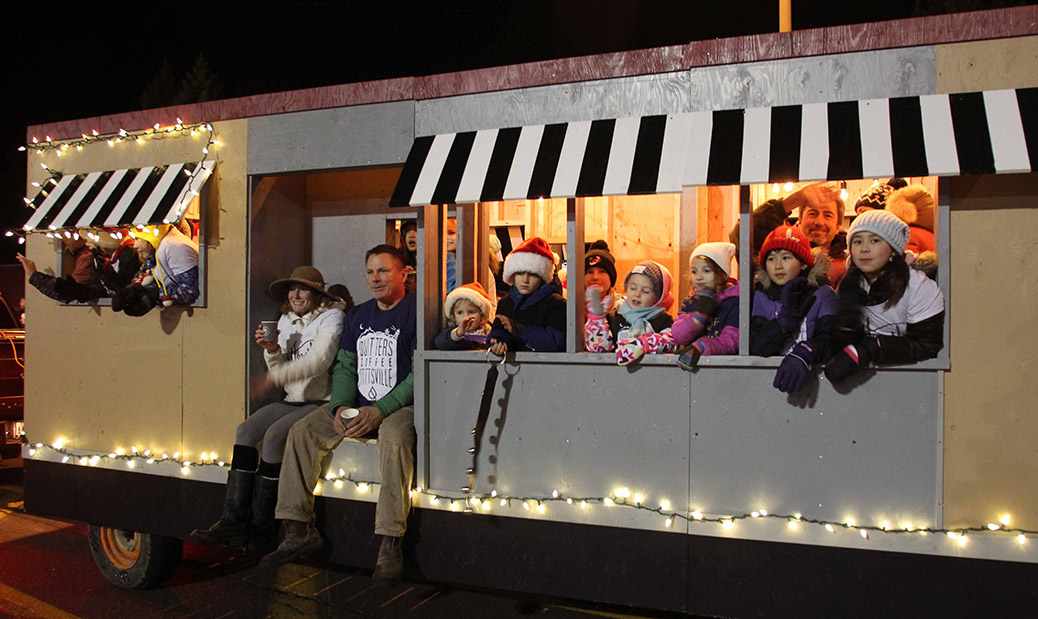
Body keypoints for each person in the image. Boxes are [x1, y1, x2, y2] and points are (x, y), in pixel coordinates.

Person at [260, 245, 417, 588]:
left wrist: (381, 410)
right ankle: (298, 529)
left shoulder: (416, 311)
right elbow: (345, 366)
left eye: (384, 271)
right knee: (301, 431)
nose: (376, 279)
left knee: (395, 438)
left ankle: (390, 543)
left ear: (404, 273)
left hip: (398, 408)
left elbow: (418, 373)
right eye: (370, 272)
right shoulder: (358, 316)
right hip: (357, 403)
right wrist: (339, 406)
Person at [190, 267, 348, 548]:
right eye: (292, 290)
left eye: (303, 289)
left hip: (321, 401)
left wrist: (270, 378)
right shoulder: (285, 320)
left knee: (275, 436)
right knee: (246, 431)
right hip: (291, 400)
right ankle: (234, 520)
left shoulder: (332, 317)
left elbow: (318, 362)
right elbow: (280, 366)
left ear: (317, 293)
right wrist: (272, 349)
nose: (296, 295)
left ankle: (262, 526)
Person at [824, 210, 945, 383]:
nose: (864, 249)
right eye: (858, 241)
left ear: (893, 251)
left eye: (874, 240)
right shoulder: (848, 284)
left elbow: (927, 345)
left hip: (907, 382)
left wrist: (872, 349)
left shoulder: (918, 288)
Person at [750, 226, 837, 393]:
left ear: (803, 263)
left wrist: (805, 352)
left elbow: (831, 339)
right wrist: (781, 324)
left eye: (786, 257)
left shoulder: (823, 293)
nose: (778, 266)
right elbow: (756, 346)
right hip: (768, 384)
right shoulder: (762, 295)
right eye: (771, 259)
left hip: (816, 386)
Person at [732, 182, 849, 285]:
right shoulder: (777, 258)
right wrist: (794, 201)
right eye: (812, 213)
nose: (819, 222)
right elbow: (741, 234)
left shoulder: (849, 266)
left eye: (828, 215)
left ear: (838, 226)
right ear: (800, 220)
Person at [586, 261, 675, 366]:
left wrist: (644, 345)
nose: (637, 294)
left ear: (658, 297)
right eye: (633, 288)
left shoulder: (663, 320)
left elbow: (671, 342)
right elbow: (600, 349)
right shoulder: (614, 316)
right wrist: (597, 321)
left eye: (646, 291)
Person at [487, 237, 566, 355]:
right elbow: (497, 331)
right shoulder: (505, 303)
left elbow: (557, 341)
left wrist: (519, 330)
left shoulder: (556, 303)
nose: (525, 280)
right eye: (520, 273)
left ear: (542, 277)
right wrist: (498, 342)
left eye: (533, 275)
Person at [17, 230, 140, 304]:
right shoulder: (98, 259)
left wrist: (107, 275)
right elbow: (88, 291)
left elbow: (124, 289)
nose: (86, 242)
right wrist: (36, 277)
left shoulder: (128, 255)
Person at [672, 242, 739, 370]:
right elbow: (678, 335)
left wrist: (701, 345)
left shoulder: (733, 301)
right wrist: (698, 318)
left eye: (706, 271)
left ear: (722, 274)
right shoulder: (691, 301)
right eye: (694, 271)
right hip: (691, 366)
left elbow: (731, 340)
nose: (699, 277)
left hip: (722, 368)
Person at [112, 224, 199, 315]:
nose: (135, 246)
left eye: (137, 239)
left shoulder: (174, 247)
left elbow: (189, 291)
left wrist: (153, 294)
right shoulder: (160, 250)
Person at [434, 282, 495, 350]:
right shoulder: (454, 333)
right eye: (460, 313)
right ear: (453, 316)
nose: (466, 317)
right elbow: (440, 343)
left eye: (471, 312)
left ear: (482, 314)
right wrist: (458, 334)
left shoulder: (489, 333)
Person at [399, 220, 418, 294]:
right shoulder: (397, 256)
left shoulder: (432, 257)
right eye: (407, 231)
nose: (411, 235)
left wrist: (417, 290)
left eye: (416, 231)